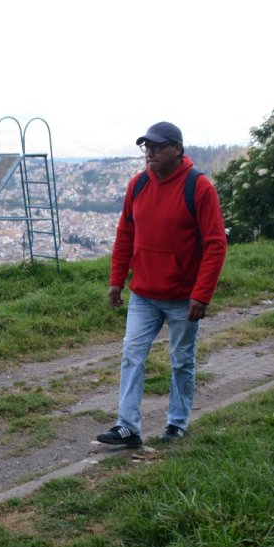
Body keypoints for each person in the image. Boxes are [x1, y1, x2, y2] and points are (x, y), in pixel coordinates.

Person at [97, 121, 228, 448]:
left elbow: (215, 244)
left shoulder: (199, 188)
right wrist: (117, 280)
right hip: (143, 292)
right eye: (147, 147)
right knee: (132, 354)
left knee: (181, 360)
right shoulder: (138, 185)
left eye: (157, 147)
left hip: (183, 296)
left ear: (177, 149)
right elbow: (125, 234)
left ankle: (177, 424)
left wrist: (202, 294)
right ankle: (127, 427)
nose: (150, 153)